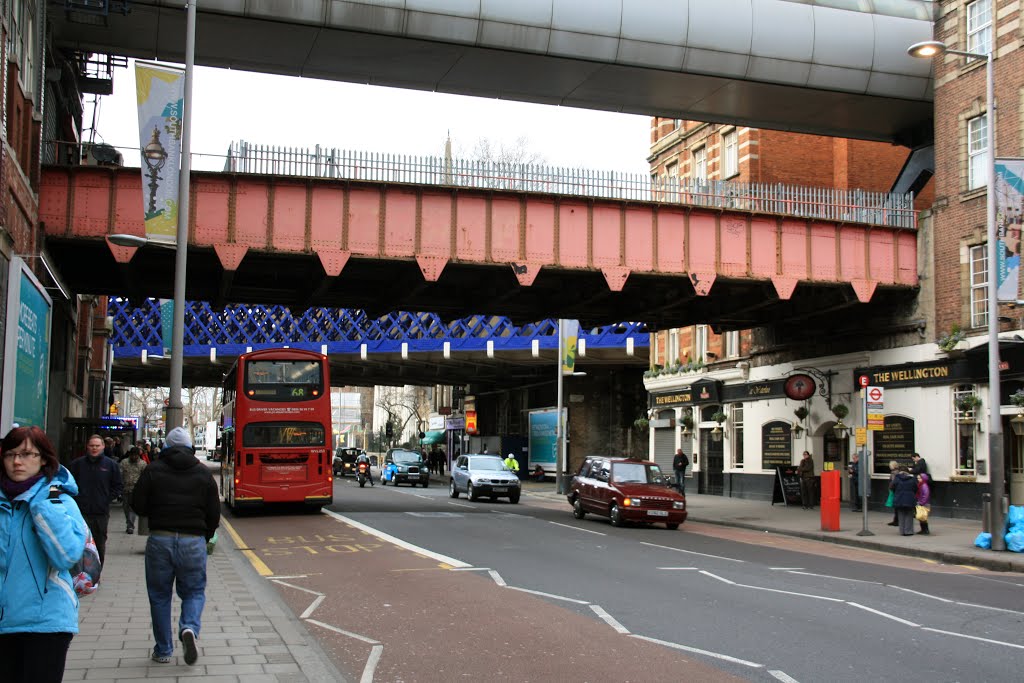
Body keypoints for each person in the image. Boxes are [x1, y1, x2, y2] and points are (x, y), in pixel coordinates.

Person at [0, 425, 88, 683]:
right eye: (10, 454)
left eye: (27, 454)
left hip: (45, 623)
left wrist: (42, 504)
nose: (17, 461)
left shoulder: (59, 501)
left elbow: (66, 556)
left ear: (44, 459)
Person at [132, 426, 220, 666]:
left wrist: (156, 512)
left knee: (159, 596)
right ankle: (189, 627)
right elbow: (214, 513)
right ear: (191, 447)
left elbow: (137, 505)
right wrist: (206, 535)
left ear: (167, 447)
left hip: (160, 538)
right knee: (193, 591)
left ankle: (163, 650)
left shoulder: (153, 470)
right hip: (193, 541)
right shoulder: (203, 474)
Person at [68, 433, 123, 565]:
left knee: (99, 545)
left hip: (101, 513)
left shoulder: (111, 465)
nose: (94, 448)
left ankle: (96, 574)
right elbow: (69, 485)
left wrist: (106, 499)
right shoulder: (77, 464)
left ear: (103, 446)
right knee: (80, 544)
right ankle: (80, 574)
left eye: (97, 446)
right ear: (87, 446)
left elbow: (118, 486)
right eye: (92, 445)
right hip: (80, 512)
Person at [120, 446, 147, 534]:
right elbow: (119, 474)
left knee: (132, 508)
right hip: (125, 489)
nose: (134, 457)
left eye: (136, 455)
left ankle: (130, 526)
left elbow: (145, 477)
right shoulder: (124, 463)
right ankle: (129, 522)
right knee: (125, 507)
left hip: (136, 490)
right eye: (133, 455)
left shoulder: (142, 464)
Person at [890, 464, 918, 536]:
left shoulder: (897, 478)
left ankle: (902, 531)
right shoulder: (913, 479)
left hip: (899, 498)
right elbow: (916, 488)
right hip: (910, 499)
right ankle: (908, 531)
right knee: (909, 514)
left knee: (901, 514)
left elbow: (892, 487)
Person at [887, 460, 900, 526]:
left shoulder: (894, 473)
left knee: (896, 506)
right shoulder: (897, 472)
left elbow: (893, 482)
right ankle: (896, 520)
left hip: (895, 491)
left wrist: (890, 488)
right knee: (896, 506)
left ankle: (896, 520)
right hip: (896, 490)